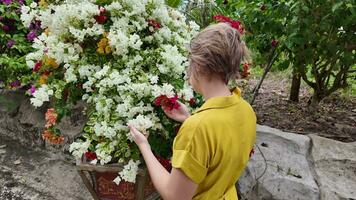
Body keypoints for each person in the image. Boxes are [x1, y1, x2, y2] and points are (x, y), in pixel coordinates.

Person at [128, 23, 256, 200]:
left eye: (190, 61)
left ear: (201, 65)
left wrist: (144, 146)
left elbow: (174, 196)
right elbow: (219, 151)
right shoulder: (246, 110)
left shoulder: (198, 129)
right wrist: (189, 118)